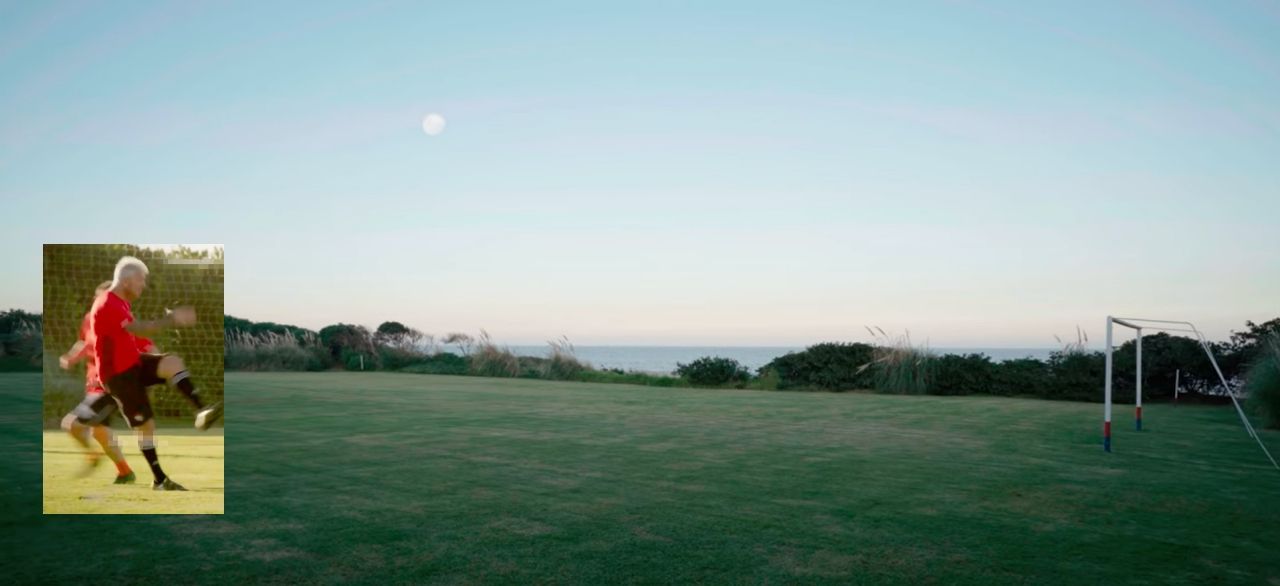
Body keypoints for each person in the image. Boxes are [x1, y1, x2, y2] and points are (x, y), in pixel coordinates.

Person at [90, 256, 223, 491]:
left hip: (133, 364)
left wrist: (154, 356)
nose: (143, 285)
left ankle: (202, 411)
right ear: (128, 280)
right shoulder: (106, 303)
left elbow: (135, 335)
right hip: (118, 376)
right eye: (141, 280)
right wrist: (171, 319)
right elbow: (138, 327)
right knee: (146, 426)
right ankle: (160, 480)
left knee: (172, 362)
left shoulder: (120, 302)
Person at [59, 282, 137, 484]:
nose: (100, 302)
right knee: (100, 432)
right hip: (93, 384)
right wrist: (71, 357)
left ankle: (93, 458)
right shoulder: (89, 319)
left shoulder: (123, 320)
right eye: (98, 298)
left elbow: (139, 346)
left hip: (110, 385)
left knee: (72, 423)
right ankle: (125, 472)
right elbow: (84, 343)